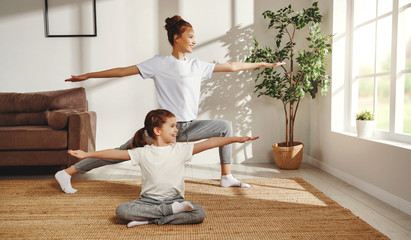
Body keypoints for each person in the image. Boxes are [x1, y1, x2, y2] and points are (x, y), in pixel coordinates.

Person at [57, 15, 284, 194]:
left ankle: (226, 177)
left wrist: (262, 64)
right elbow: (122, 72)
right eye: (191, 36)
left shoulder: (197, 66)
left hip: (188, 127)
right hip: (163, 129)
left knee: (225, 126)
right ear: (177, 38)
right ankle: (67, 172)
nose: (194, 41)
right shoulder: (159, 63)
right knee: (120, 152)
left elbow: (232, 66)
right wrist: (88, 75)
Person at [67, 109, 259, 228]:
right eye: (173, 126)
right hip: (148, 201)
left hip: (175, 199)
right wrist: (87, 155)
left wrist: (236, 138)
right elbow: (114, 153)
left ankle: (150, 220)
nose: (177, 130)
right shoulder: (143, 152)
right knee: (122, 211)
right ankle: (169, 212)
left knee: (199, 213)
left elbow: (211, 142)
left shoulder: (181, 149)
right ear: (158, 131)